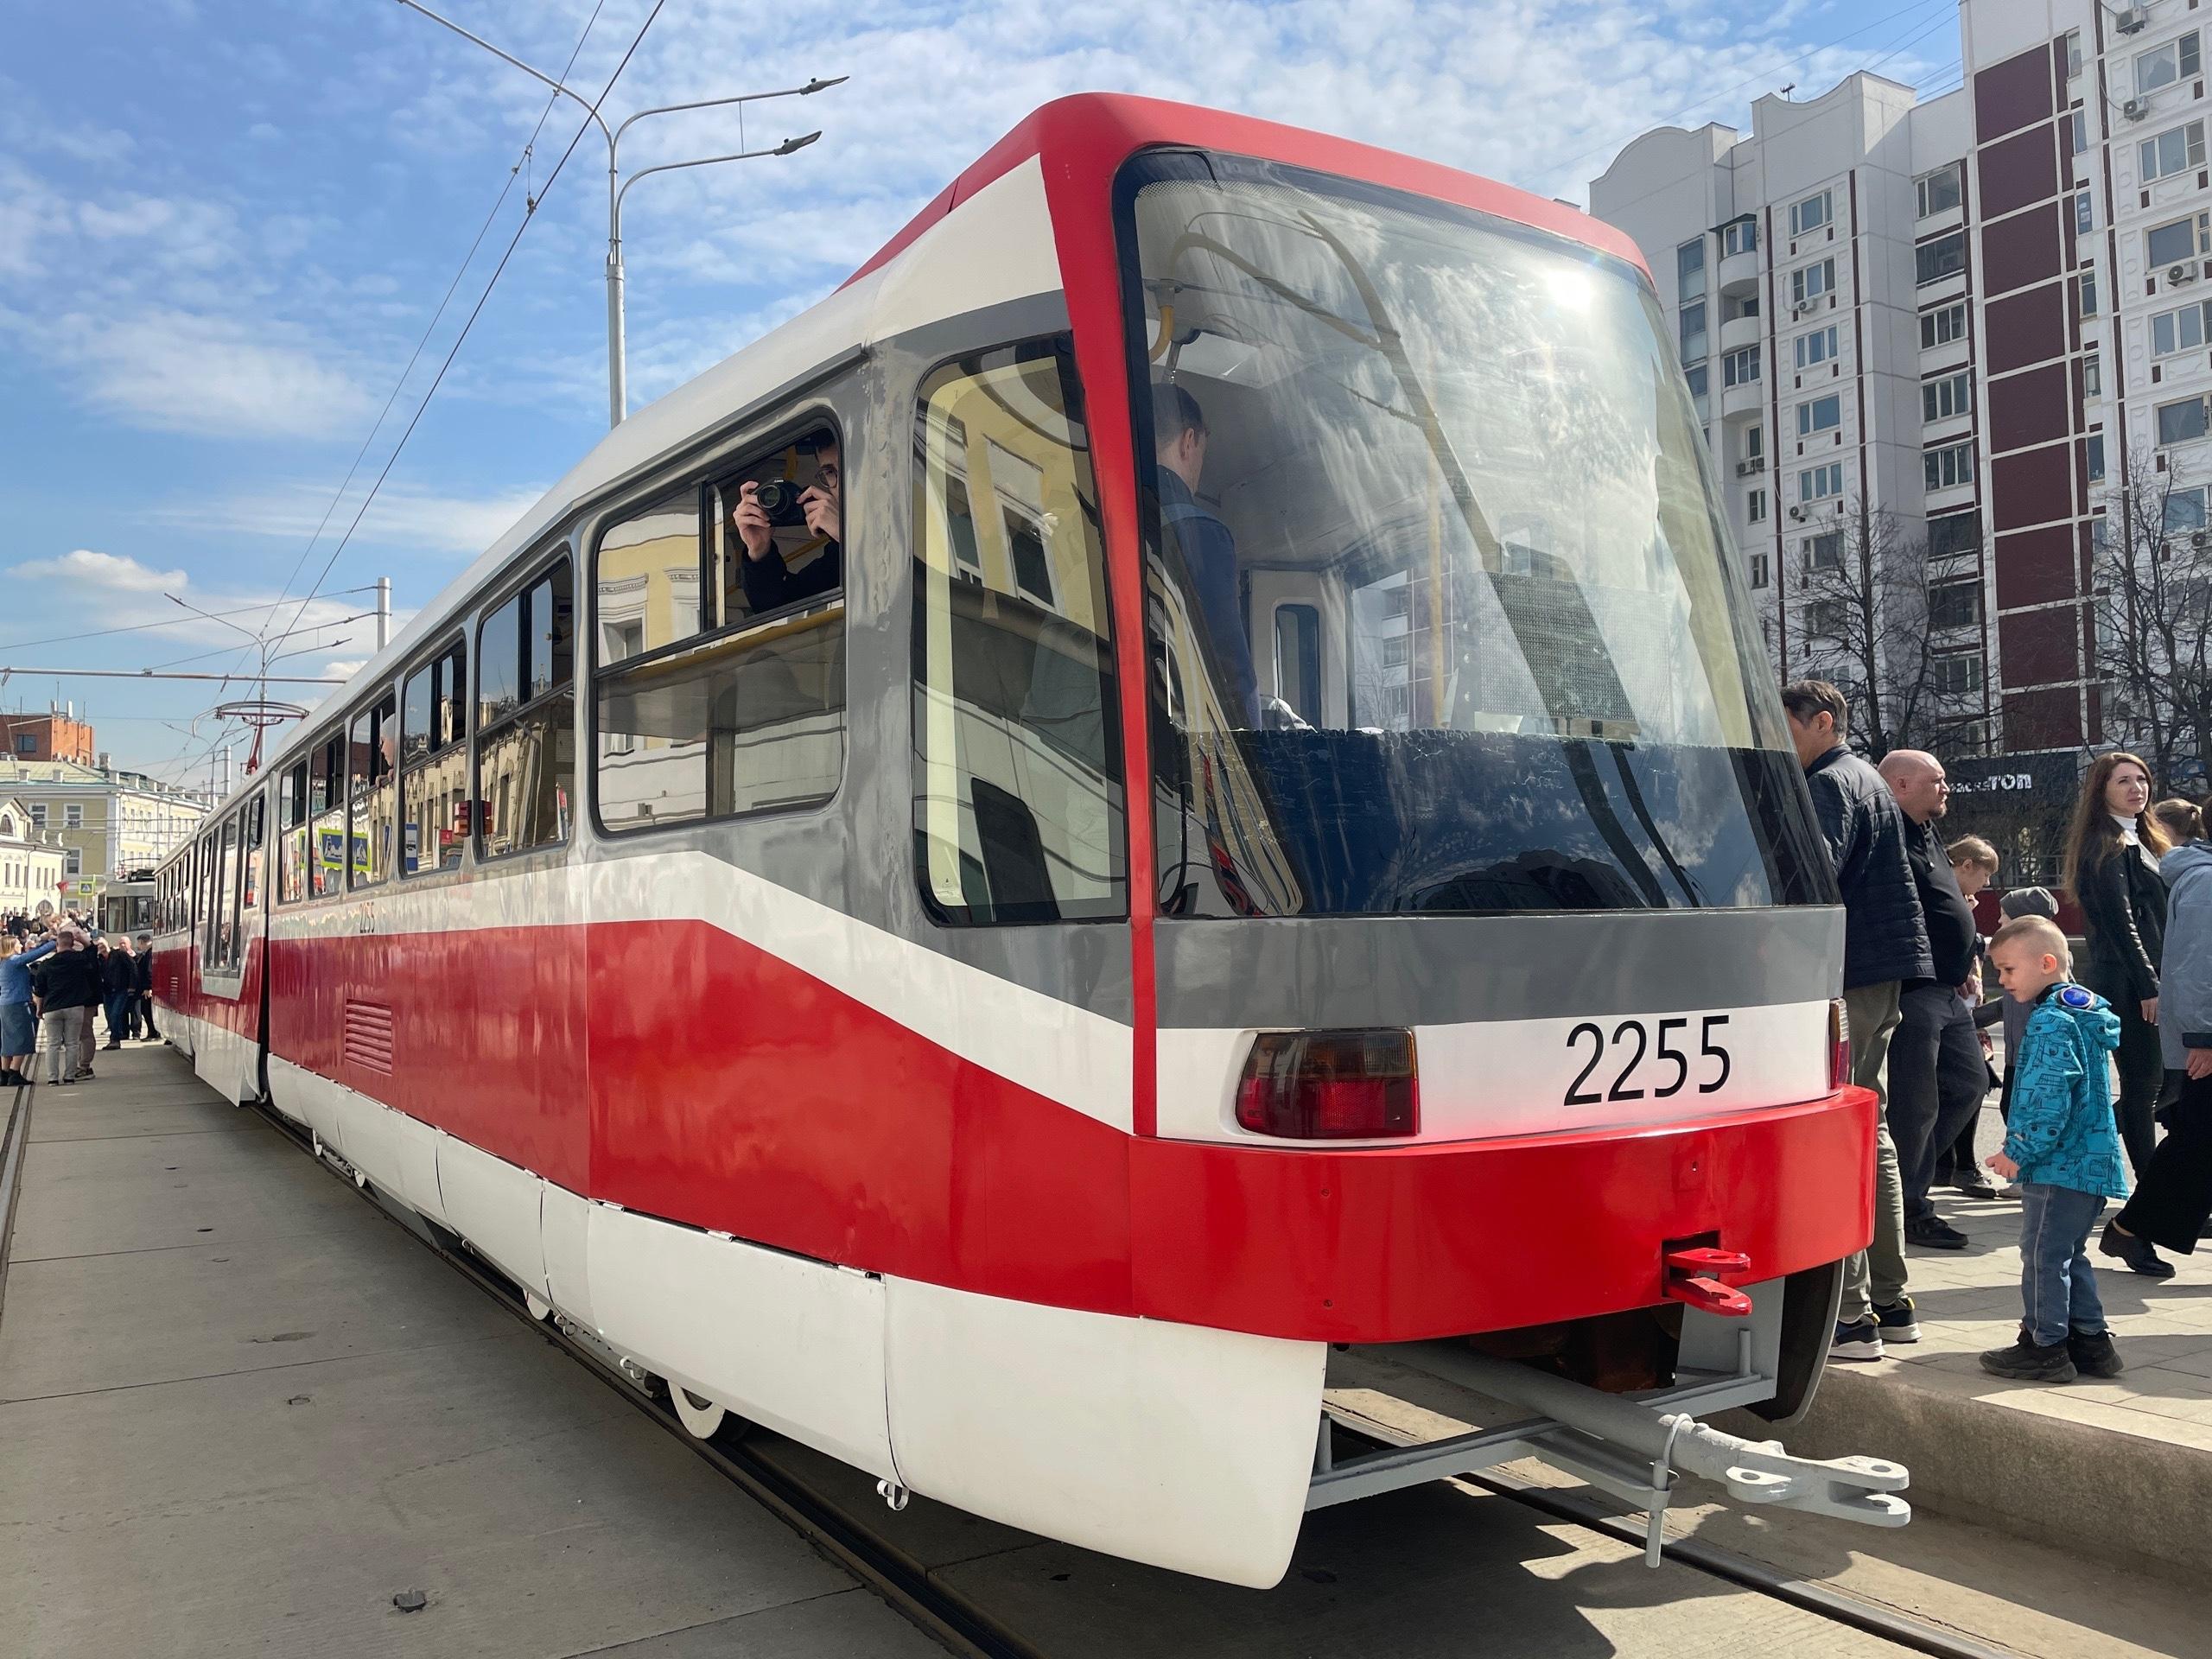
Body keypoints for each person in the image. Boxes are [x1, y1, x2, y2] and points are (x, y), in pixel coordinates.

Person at [1781, 681, 1933, 1361]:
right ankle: (1892, 1301)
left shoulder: (1827, 783)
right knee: (1873, 1131)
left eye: (1782, 726)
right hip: (1880, 972)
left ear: (1821, 722)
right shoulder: (1867, 777)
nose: (1774, 741)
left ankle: (1849, 1314)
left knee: (1845, 1134)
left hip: (1843, 975)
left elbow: (1809, 871)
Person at [1979, 915, 2129, 1382]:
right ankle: (2092, 1343)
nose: (2001, 982)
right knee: (2068, 1253)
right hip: (2091, 1162)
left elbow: (2046, 1099)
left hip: (2057, 1166)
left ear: (2046, 963)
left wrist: (2017, 1152)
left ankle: (2044, 1346)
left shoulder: (2049, 1022)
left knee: (2043, 1255)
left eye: (2008, 970)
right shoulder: (2083, 1015)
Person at [1876, 751, 1986, 1248]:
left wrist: (1968, 957)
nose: (1947, 789)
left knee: (1969, 1083)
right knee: (1915, 1106)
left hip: (1949, 988)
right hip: (1914, 990)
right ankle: (1910, 1208)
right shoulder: (1885, 833)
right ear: (1900, 783)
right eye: (1936, 780)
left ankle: (1910, 1177)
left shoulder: (1928, 831)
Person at [2100, 817, 2212, 1277]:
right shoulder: (2206, 881)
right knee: (2197, 1141)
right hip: (2205, 1038)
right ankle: (2129, 1229)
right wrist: (2202, 1037)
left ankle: (2132, 1228)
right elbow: (2194, 965)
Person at [2063, 752, 2171, 1178]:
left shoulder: (2140, 838)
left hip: (2147, 976)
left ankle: (2158, 1185)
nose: (2136, 788)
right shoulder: (2107, 844)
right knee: (2143, 1086)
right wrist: (2150, 986)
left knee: (2153, 1085)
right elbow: (2119, 921)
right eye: (2124, 781)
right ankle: (2152, 1193)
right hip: (2129, 979)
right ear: (2101, 791)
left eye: (2141, 779)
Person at [1153, 381, 1259, 727]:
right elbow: (1228, 673)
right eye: (1202, 452)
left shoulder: (1098, 520)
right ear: (1188, 442)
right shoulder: (1199, 532)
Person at [1939, 834, 2005, 1198]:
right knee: (1969, 1081)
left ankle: (1951, 1163)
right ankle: (1955, 1164)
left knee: (1968, 1084)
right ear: (1966, 866)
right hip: (1954, 1004)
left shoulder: (1958, 896)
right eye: (1983, 875)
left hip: (1964, 1004)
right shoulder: (1944, 891)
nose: (1986, 885)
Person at [730, 435, 842, 615]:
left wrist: (846, 538)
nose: (841, 482)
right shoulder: (835, 559)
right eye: (830, 472)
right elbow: (776, 612)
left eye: (849, 465)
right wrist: (759, 551)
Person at [31, 925, 102, 1086]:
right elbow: (92, 955)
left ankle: (52, 1078)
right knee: (72, 1043)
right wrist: (85, 941)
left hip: (52, 1008)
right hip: (74, 1007)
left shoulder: (46, 965)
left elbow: (40, 990)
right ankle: (69, 1076)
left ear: (57, 945)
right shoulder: (79, 961)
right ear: (72, 944)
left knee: (52, 1044)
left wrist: (39, 1008)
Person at [0, 931, 57, 1087]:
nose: (21, 945)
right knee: (23, 1038)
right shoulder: (14, 961)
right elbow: (36, 954)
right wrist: (54, 942)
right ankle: (15, 1071)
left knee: (7, 1040)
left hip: (5, 1004)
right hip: (18, 1004)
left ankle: (4, 1073)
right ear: (11, 947)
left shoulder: (3, 963)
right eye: (18, 943)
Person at [101, 933, 137, 1048]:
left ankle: (115, 1040)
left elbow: (133, 968)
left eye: (102, 945)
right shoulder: (99, 960)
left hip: (121, 989)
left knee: (116, 1014)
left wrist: (132, 985)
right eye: (98, 946)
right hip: (107, 991)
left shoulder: (120, 954)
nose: (101, 948)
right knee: (110, 1015)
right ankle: (115, 1036)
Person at [133, 934, 157, 1040]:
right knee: (145, 1010)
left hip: (147, 989)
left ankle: (153, 1032)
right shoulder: (148, 953)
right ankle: (151, 1032)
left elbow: (149, 971)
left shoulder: (150, 953)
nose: (138, 946)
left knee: (147, 1010)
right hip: (145, 987)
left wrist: (148, 987)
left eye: (138, 943)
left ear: (142, 942)